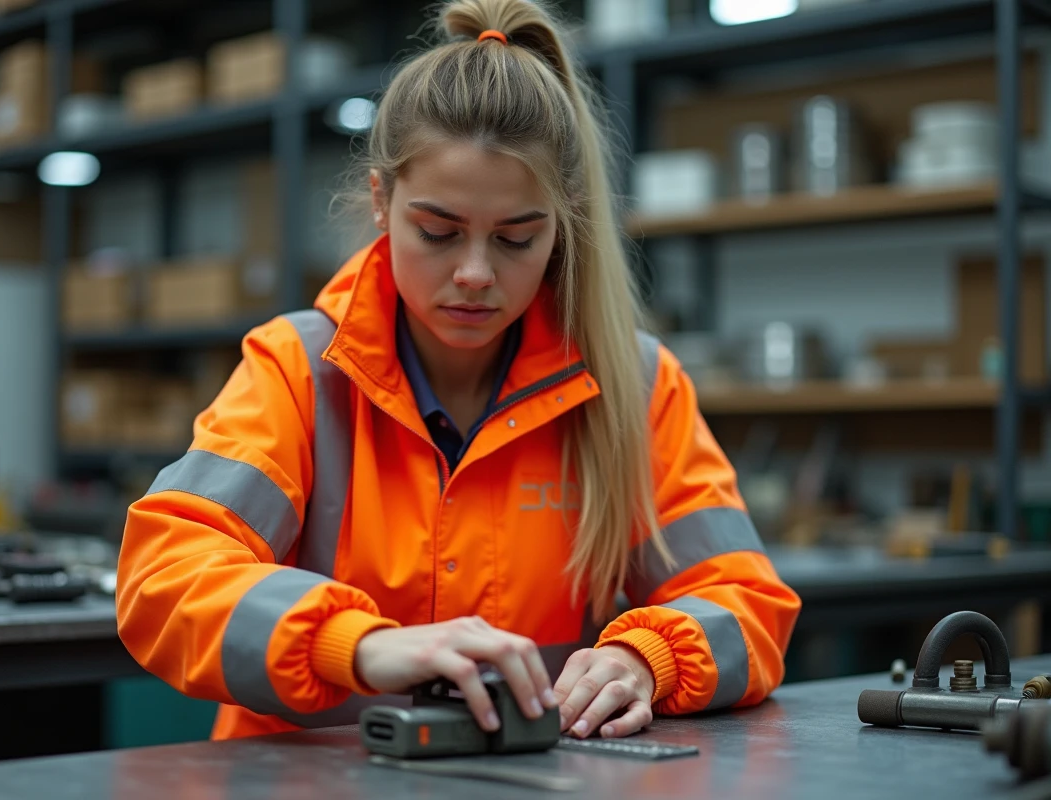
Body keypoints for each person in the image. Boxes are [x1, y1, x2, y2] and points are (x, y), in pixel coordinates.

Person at [116, 0, 801, 743]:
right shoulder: (297, 371)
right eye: (438, 232)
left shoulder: (636, 388)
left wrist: (649, 659)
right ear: (382, 203)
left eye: (515, 238)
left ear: (563, 223)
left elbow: (746, 601)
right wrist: (357, 644)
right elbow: (164, 577)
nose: (475, 273)